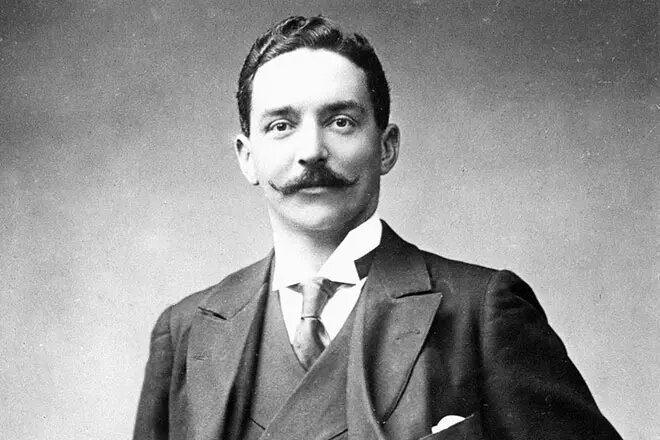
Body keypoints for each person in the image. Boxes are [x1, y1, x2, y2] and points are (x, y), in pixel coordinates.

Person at [133, 16, 622, 440]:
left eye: (341, 121)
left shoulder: (481, 311)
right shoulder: (186, 331)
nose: (312, 151)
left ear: (386, 147)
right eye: (281, 125)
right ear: (247, 157)